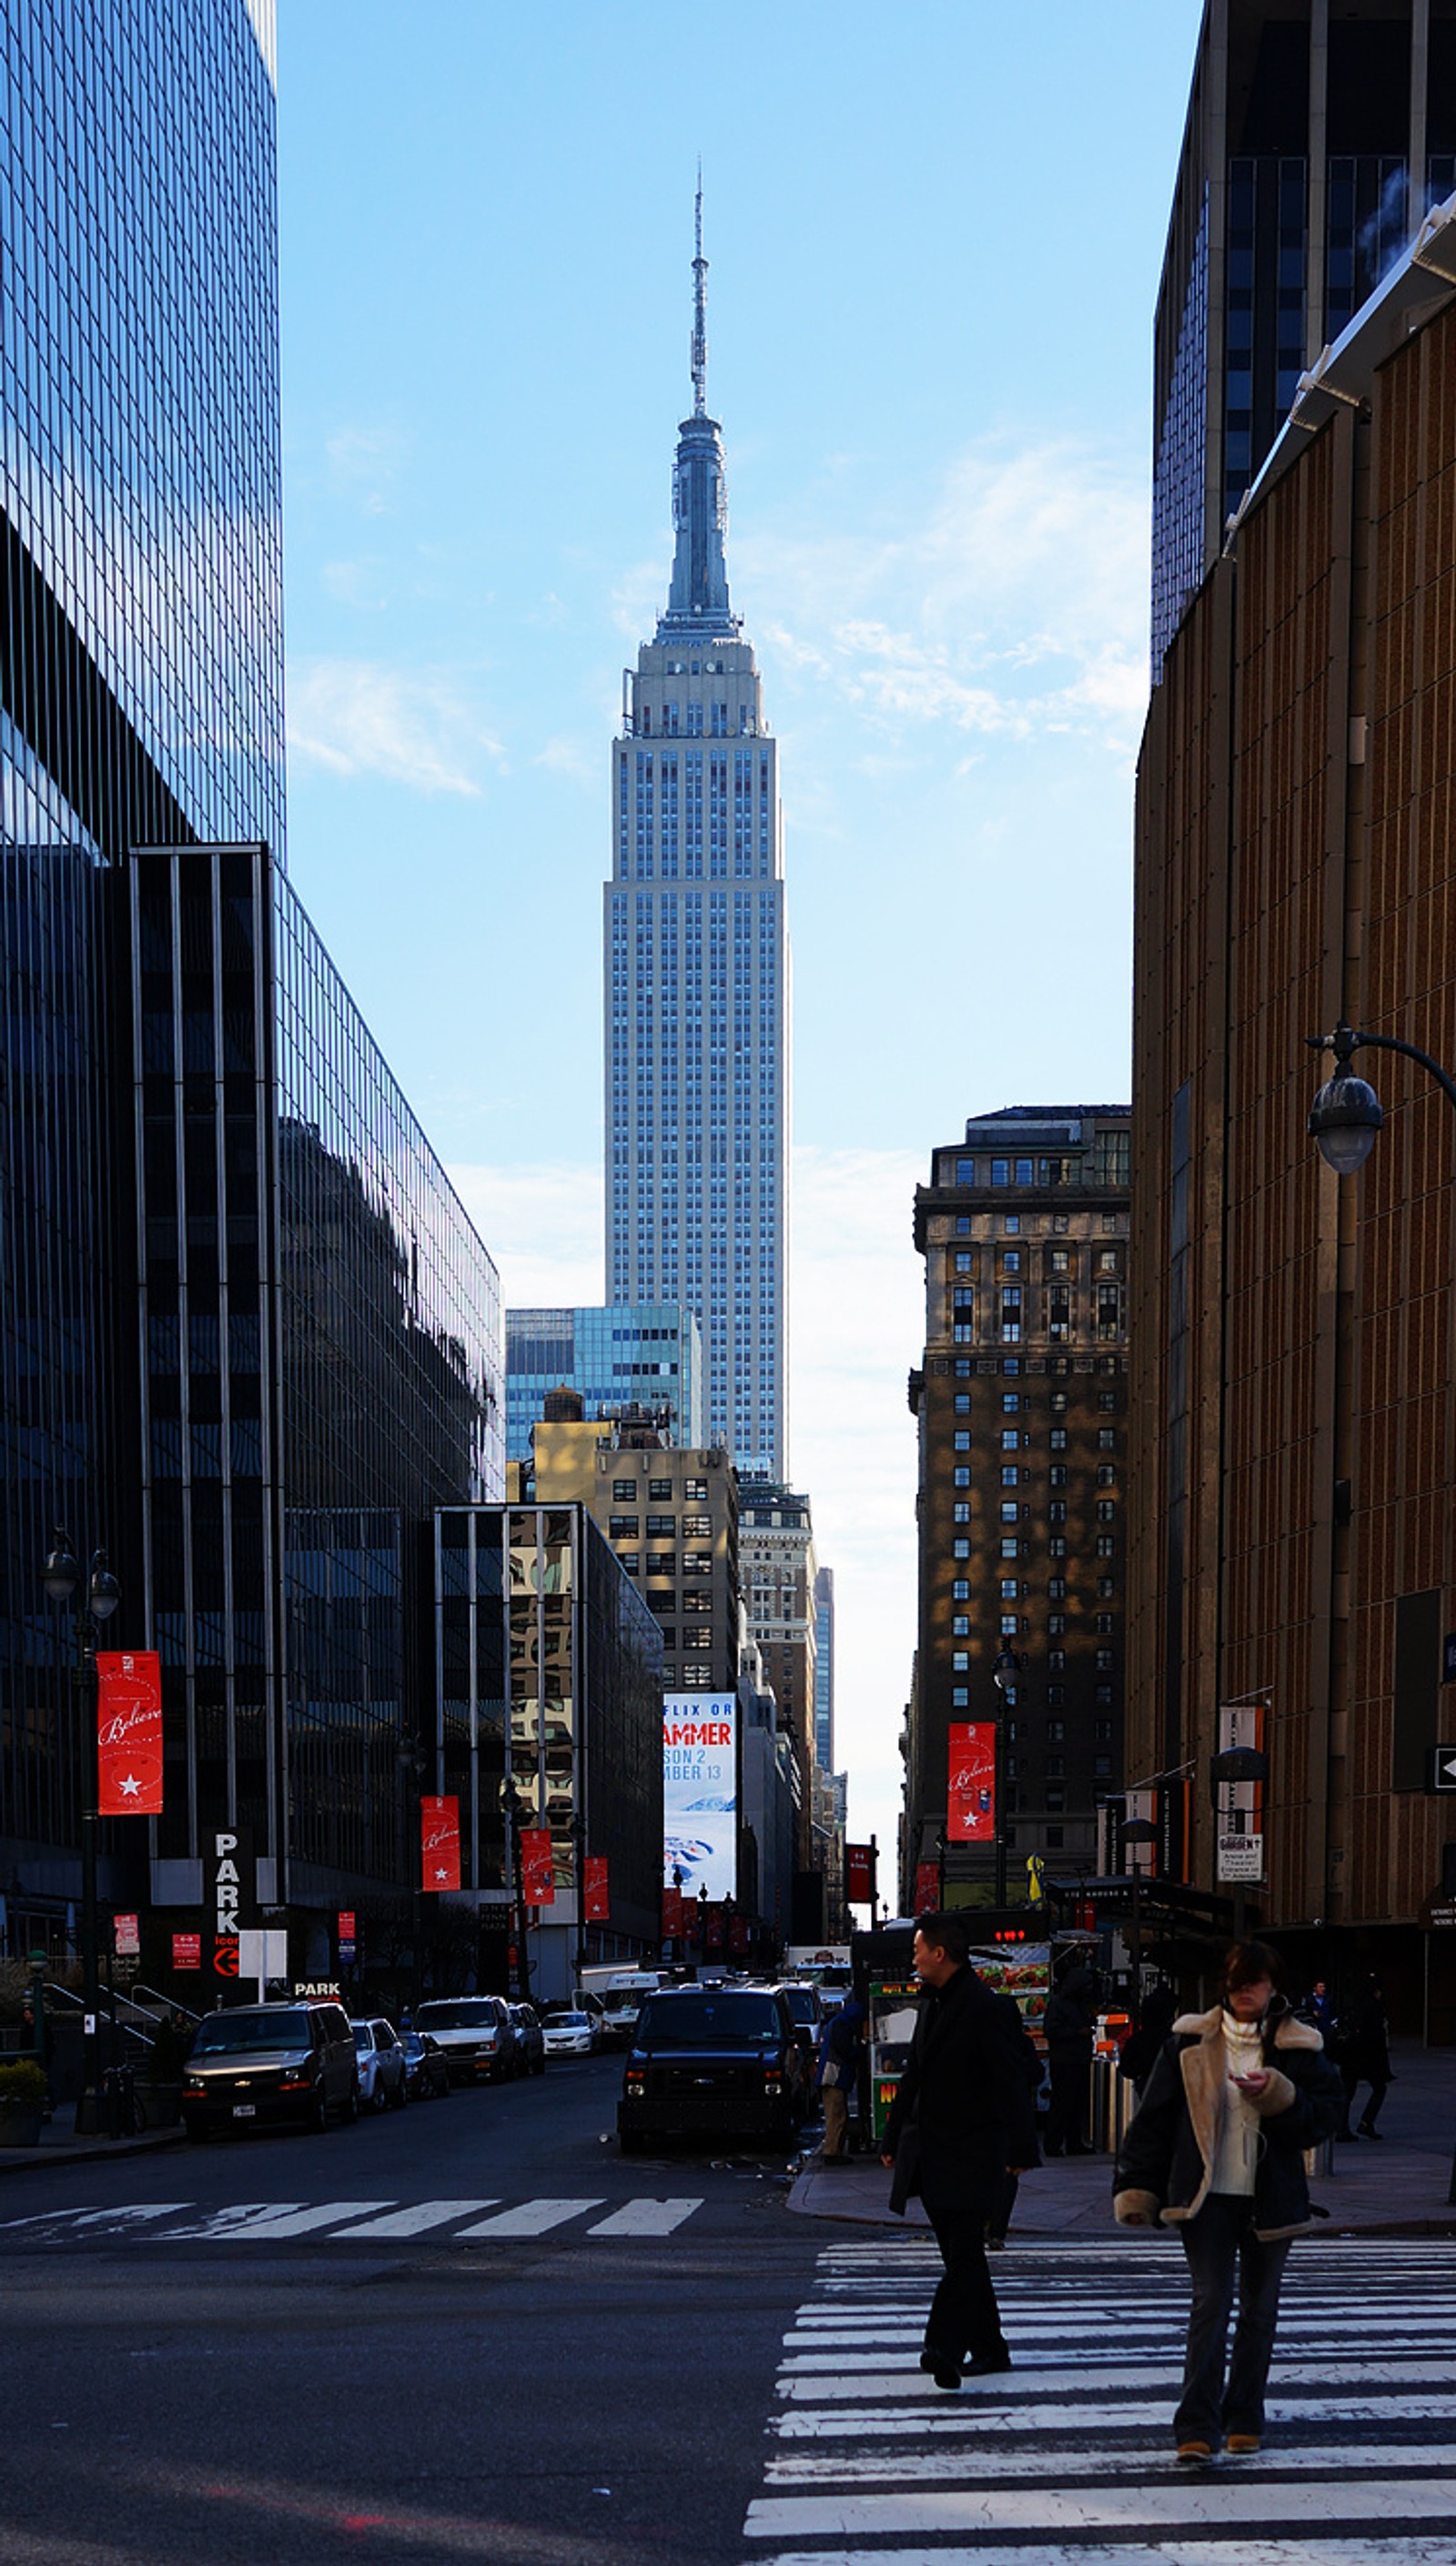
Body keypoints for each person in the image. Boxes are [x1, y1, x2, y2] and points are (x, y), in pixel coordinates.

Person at [1113, 1938, 1343, 2462]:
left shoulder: (1298, 2046)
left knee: (1260, 2314)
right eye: (1238, 1982)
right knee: (1210, 2305)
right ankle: (1196, 2425)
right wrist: (1137, 2187)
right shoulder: (1188, 2043)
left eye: (1256, 1982)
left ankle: (1245, 2417)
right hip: (1207, 2197)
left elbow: (1327, 2117)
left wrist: (1280, 2095)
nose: (1246, 1992)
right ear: (1226, 1986)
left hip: (1272, 2198)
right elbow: (1153, 2123)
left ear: (1272, 1987)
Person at [880, 1913, 1039, 2389]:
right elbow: (913, 2076)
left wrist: (1019, 2147)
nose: (913, 1956)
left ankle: (943, 2346)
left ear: (939, 1954)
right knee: (961, 2257)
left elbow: (1014, 2079)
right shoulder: (934, 2003)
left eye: (917, 1948)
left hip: (974, 2151)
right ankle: (991, 2348)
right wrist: (891, 2138)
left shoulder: (985, 2007)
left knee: (965, 2254)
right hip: (932, 2152)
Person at [1043, 1952, 1097, 2155]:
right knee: (1063, 2104)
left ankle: (1075, 2142)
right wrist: (1076, 2032)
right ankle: (1053, 2144)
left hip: (1079, 2059)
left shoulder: (1079, 2005)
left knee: (1078, 2104)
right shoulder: (1059, 2004)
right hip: (1064, 2061)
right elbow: (1051, 2030)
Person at [1337, 1972, 1391, 2139]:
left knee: (1348, 2090)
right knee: (1379, 2088)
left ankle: (1342, 2128)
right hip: (1368, 2055)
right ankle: (1366, 2122)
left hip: (1350, 2054)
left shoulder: (1355, 2005)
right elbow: (1375, 2033)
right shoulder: (1374, 2007)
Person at [816, 1997, 864, 2162]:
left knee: (836, 2114)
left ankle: (835, 2151)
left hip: (831, 2075)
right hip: (834, 2076)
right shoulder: (842, 2026)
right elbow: (845, 2050)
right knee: (836, 2115)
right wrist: (859, 2052)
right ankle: (832, 2152)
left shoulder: (838, 2023)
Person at [1117, 1983, 1178, 2097]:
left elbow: (1126, 2067)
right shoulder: (1171, 2040)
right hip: (1168, 2086)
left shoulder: (1138, 2040)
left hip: (1146, 2083)